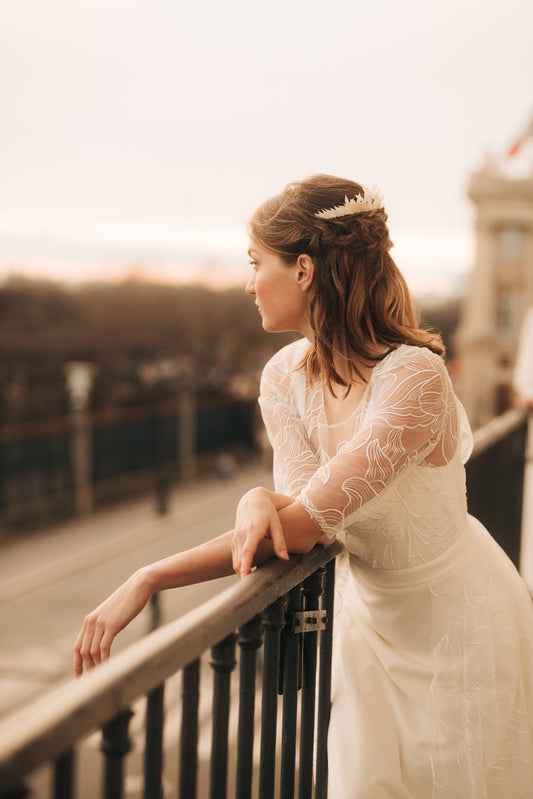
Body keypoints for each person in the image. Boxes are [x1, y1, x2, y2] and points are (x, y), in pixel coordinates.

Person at [74, 175, 533, 798]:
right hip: (369, 633)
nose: (247, 282)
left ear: (304, 270)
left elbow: (303, 522)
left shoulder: (415, 379)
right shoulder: (283, 376)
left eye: (255, 262)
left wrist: (149, 575)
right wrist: (256, 499)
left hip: (457, 629)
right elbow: (292, 514)